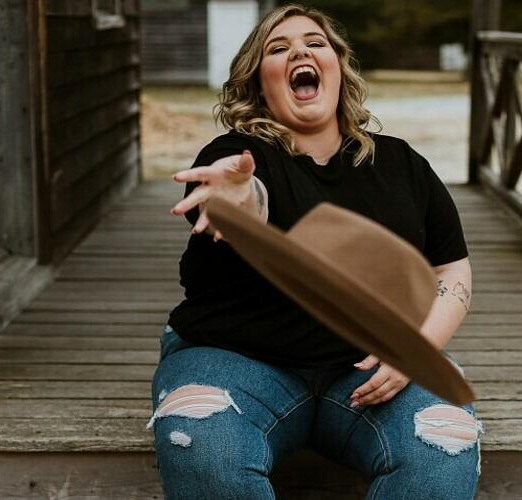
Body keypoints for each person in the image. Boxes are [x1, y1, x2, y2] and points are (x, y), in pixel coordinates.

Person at [148, 4, 481, 499]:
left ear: (338, 68)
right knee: (201, 443)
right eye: (278, 48)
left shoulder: (401, 163)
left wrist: (418, 350)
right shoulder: (236, 156)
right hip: (235, 358)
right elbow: (243, 200)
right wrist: (239, 196)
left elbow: (451, 267)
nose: (299, 51)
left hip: (369, 367)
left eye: (315, 42)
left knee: (443, 450)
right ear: (259, 84)